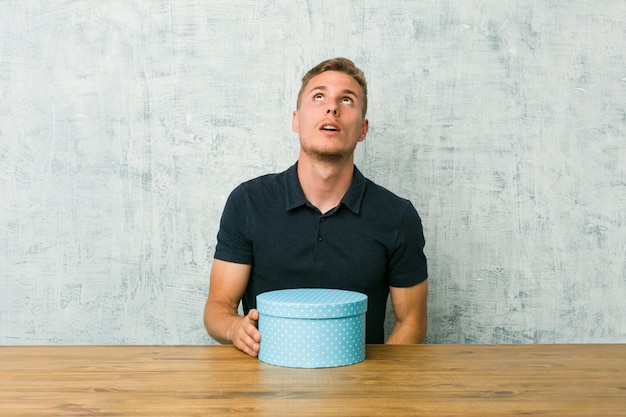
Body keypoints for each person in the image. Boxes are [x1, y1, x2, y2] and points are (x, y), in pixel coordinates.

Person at [204, 57, 428, 357]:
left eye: (346, 100)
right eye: (319, 96)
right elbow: (218, 307)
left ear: (363, 129)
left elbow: (412, 323)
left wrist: (375, 387)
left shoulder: (398, 216)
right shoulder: (248, 202)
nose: (332, 107)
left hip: (358, 389)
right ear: (296, 120)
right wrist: (234, 329)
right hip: (262, 386)